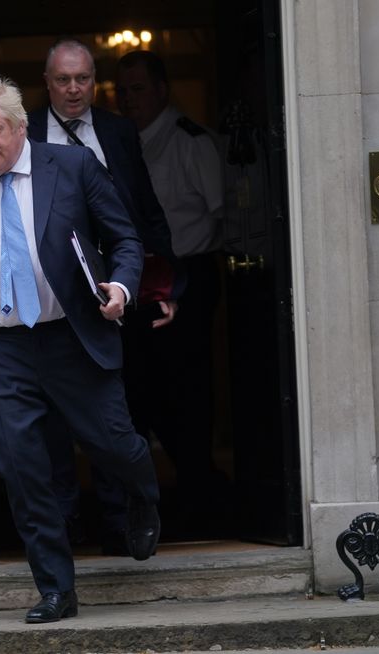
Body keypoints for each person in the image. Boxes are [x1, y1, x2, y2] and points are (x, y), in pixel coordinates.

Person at [0, 74, 161, 624]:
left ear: (19, 128)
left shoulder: (74, 167)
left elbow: (125, 238)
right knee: (21, 466)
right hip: (1, 348)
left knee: (113, 442)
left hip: (71, 335)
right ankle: (57, 588)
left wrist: (122, 288)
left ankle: (142, 491)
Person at [27, 38, 184, 555]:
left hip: (113, 297)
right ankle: (67, 524)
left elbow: (144, 211)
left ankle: (122, 521)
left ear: (96, 82)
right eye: (63, 80)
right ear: (47, 83)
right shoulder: (22, 132)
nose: (74, 90)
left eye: (84, 79)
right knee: (50, 420)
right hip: (46, 301)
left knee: (117, 414)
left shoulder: (117, 131)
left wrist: (161, 285)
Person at [115, 50, 228, 534]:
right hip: (143, 281)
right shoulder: (124, 143)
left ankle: (204, 495)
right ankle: (185, 491)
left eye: (138, 89)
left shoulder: (191, 142)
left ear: (162, 89)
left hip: (191, 274)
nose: (129, 100)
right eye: (122, 91)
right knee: (146, 390)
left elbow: (225, 214)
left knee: (186, 390)